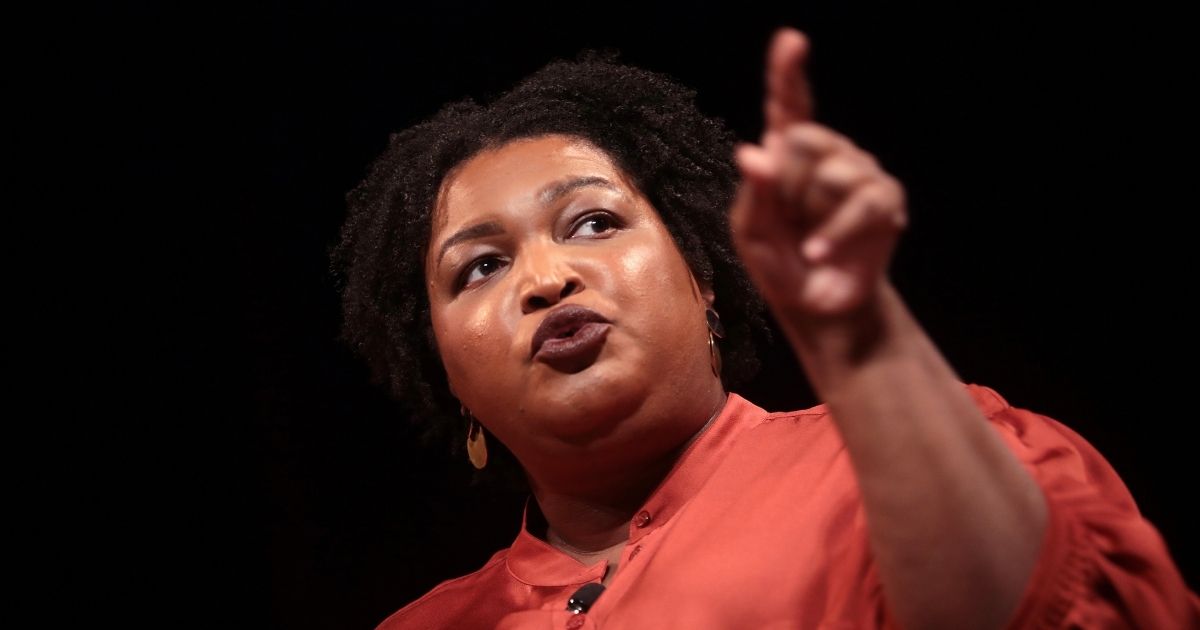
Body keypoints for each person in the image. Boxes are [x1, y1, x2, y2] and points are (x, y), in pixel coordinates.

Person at [331, 28, 1199, 629]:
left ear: (703, 278)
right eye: (478, 266)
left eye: (594, 222)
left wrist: (861, 339)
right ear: (444, 368)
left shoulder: (913, 459)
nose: (547, 277)